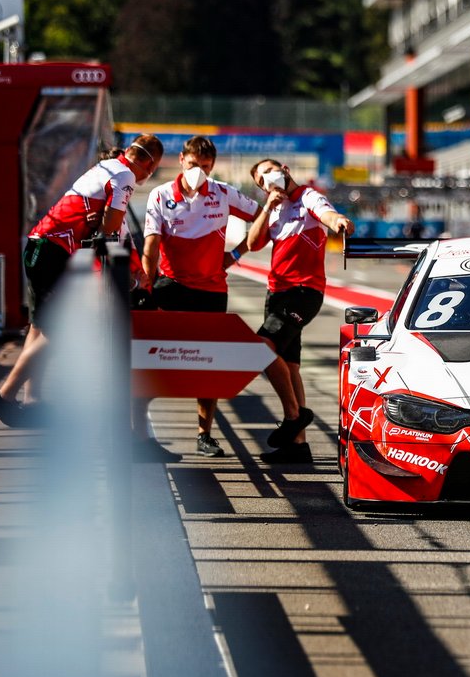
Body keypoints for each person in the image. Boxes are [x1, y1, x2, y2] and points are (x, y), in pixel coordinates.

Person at [0, 135, 164, 431]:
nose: (143, 179)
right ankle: (3, 395)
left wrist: (97, 221)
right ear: (147, 164)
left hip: (42, 246)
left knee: (40, 327)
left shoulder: (107, 167)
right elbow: (113, 227)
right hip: (51, 251)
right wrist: (102, 221)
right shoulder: (126, 173)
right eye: (149, 173)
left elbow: (100, 222)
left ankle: (31, 400)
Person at [142, 138, 313, 457]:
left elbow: (261, 220)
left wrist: (233, 255)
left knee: (207, 366)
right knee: (151, 358)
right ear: (181, 161)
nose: (199, 172)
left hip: (211, 291)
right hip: (172, 286)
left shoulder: (222, 192)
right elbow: (150, 246)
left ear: (213, 167)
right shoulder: (160, 194)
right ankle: (139, 436)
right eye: (193, 165)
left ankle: (203, 434)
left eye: (206, 167)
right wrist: (145, 284)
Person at [246, 159, 354, 463]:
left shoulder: (307, 196)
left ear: (285, 169)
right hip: (276, 293)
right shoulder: (273, 208)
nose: (268, 176)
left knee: (261, 347)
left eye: (269, 169)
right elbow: (253, 244)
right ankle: (298, 445)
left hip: (304, 291)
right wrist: (268, 206)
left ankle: (294, 416)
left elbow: (327, 213)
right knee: (290, 365)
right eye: (261, 177)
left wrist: (339, 222)